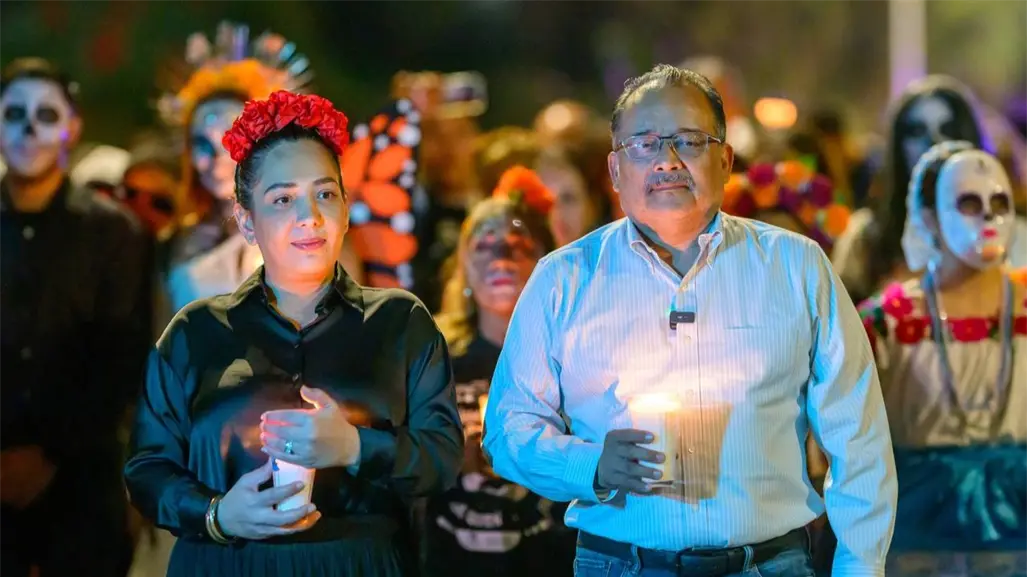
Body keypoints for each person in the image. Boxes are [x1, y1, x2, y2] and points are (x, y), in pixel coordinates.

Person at [483, 64, 898, 576]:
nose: (668, 161)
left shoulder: (795, 266)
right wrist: (590, 465)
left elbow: (858, 438)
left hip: (768, 564)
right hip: (621, 564)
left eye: (689, 141)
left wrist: (859, 567)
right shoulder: (564, 280)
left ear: (725, 160)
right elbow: (507, 429)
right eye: (646, 143)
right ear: (615, 170)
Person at [124, 90, 463, 577]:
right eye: (282, 199)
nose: (309, 216)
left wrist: (354, 448)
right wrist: (217, 514)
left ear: (347, 210)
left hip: (359, 563)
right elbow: (146, 468)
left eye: (325, 194)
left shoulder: (400, 323)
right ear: (246, 220)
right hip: (225, 562)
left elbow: (444, 457)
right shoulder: (196, 333)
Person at [0, 57, 151, 576]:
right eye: (13, 113)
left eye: (45, 114)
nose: (27, 129)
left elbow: (121, 357)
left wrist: (45, 454)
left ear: (72, 126)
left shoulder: (115, 233)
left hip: (79, 488)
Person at [859, 141, 1027, 576]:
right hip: (917, 535)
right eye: (969, 202)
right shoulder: (886, 323)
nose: (990, 217)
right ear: (931, 216)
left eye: (999, 202)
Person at [423, 166, 574, 576]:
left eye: (518, 245)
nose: (501, 258)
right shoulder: (431, 355)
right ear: (464, 267)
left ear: (545, 261)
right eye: (484, 246)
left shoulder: (572, 357)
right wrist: (451, 455)